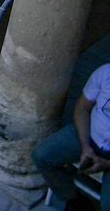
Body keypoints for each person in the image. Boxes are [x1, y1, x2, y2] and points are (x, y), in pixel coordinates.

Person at [33, 61, 110, 210]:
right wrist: (85, 146)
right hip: (88, 134)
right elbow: (82, 108)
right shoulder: (106, 73)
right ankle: (73, 198)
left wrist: (107, 163)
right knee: (42, 155)